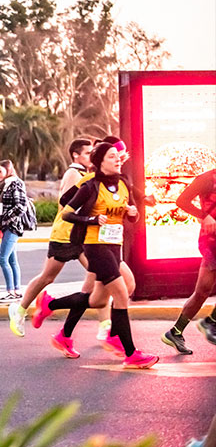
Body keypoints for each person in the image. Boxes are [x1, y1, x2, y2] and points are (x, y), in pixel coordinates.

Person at [32, 142, 159, 368]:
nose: (118, 160)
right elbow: (68, 212)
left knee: (97, 300)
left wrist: (133, 213)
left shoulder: (123, 183)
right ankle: (131, 353)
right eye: (112, 157)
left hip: (113, 245)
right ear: (100, 162)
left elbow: (131, 216)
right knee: (121, 293)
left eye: (119, 157)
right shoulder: (90, 186)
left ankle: (50, 304)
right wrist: (91, 220)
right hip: (95, 246)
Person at [8, 138, 94, 336]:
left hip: (78, 235)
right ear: (76, 155)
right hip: (65, 234)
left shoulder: (83, 173)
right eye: (87, 153)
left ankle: (99, 330)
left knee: (98, 275)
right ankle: (20, 310)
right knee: (47, 277)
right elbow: (68, 205)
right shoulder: (73, 173)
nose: (90, 156)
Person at [161, 167, 216, 354]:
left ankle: (175, 332)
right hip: (212, 241)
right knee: (202, 291)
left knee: (202, 292)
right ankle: (211, 322)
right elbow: (181, 201)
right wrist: (204, 216)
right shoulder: (207, 178)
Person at [0, 160, 27, 303]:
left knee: (2, 258)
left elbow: (21, 206)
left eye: (0, 171)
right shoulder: (3, 186)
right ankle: (16, 290)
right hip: (6, 226)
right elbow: (7, 205)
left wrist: (6, 217)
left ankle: (10, 291)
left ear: (8, 171)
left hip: (13, 226)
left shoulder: (15, 184)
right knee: (12, 260)